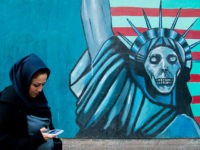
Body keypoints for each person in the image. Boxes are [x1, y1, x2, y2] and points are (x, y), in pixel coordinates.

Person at [70, 0, 200, 138]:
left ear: (181, 67)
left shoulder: (185, 124)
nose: (164, 68)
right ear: (143, 67)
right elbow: (95, 22)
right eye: (154, 60)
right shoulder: (121, 91)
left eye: (172, 60)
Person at [0, 53, 62, 149]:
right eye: (36, 85)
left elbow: (48, 125)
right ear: (25, 80)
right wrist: (38, 139)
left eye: (43, 84)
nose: (40, 90)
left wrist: (56, 143)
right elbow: (5, 143)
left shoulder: (38, 97)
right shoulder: (8, 101)